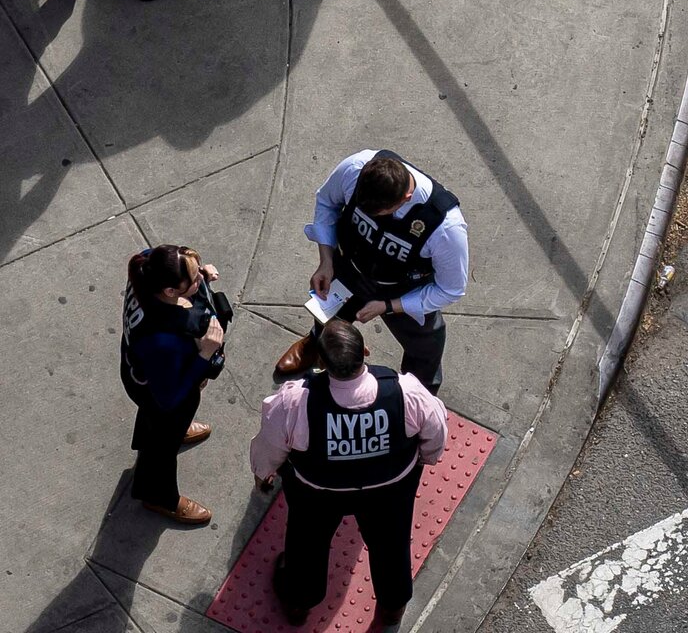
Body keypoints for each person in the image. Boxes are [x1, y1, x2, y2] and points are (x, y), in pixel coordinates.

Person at [254, 320, 447, 628]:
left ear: (320, 361)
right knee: (391, 545)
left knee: (307, 545)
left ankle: (299, 603)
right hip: (390, 491)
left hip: (317, 494)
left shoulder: (295, 402)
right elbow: (436, 434)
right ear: (364, 352)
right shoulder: (406, 392)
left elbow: (269, 445)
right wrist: (423, 460)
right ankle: (392, 607)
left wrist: (263, 473)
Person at [274, 149, 468, 392]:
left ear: (406, 198)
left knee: (425, 350)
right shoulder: (355, 167)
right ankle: (316, 346)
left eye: (378, 214)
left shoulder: (446, 228)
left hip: (402, 289)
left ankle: (418, 396)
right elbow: (327, 201)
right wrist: (326, 260)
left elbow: (451, 289)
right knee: (327, 316)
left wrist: (389, 306)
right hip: (349, 266)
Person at [120, 242, 232, 526]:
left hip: (143, 373)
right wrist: (205, 355)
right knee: (161, 447)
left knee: (156, 426)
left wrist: (202, 277)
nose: (200, 278)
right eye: (194, 278)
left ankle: (172, 432)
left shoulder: (148, 265)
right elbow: (168, 398)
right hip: (162, 392)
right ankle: (158, 496)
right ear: (170, 291)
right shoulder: (162, 340)